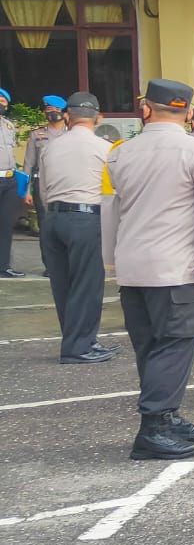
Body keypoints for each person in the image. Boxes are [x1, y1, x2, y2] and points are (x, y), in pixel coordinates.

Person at [103, 79, 194, 460]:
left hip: (134, 267)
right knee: (175, 345)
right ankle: (154, 426)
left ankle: (167, 415)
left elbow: (109, 210)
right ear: (189, 113)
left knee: (150, 346)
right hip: (177, 267)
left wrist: (112, 261)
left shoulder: (119, 151)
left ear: (146, 109)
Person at [39, 92, 118, 363]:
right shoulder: (105, 148)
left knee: (63, 283)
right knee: (87, 283)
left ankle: (78, 339)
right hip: (85, 217)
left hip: (53, 217)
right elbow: (113, 191)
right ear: (98, 118)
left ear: (67, 117)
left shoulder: (50, 146)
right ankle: (79, 347)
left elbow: (43, 189)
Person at [23, 95, 68, 252]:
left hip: (66, 186)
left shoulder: (72, 134)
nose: (53, 113)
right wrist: (26, 190)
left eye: (57, 110)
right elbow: (29, 164)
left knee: (65, 225)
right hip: (42, 186)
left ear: (64, 113)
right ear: (45, 113)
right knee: (46, 226)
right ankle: (49, 264)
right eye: (49, 109)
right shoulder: (37, 135)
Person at [0, 87, 23, 278]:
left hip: (9, 179)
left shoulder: (9, 126)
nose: (0, 103)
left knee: (6, 225)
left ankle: (4, 265)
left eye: (3, 101)